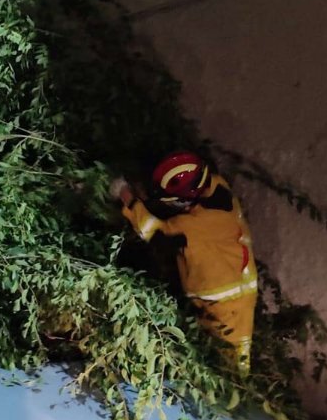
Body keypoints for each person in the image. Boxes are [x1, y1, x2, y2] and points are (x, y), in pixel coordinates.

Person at [110, 151, 257, 375]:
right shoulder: (217, 187)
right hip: (234, 282)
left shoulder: (190, 227)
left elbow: (152, 231)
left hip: (227, 301)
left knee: (233, 362)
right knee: (214, 354)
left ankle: (240, 389)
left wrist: (125, 195)